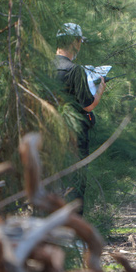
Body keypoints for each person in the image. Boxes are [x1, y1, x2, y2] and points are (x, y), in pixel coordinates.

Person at [54, 23, 107, 215]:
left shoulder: (43, 67)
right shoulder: (74, 70)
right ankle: (73, 233)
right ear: (75, 43)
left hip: (48, 133)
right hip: (73, 136)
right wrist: (99, 90)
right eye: (80, 42)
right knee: (75, 182)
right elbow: (88, 105)